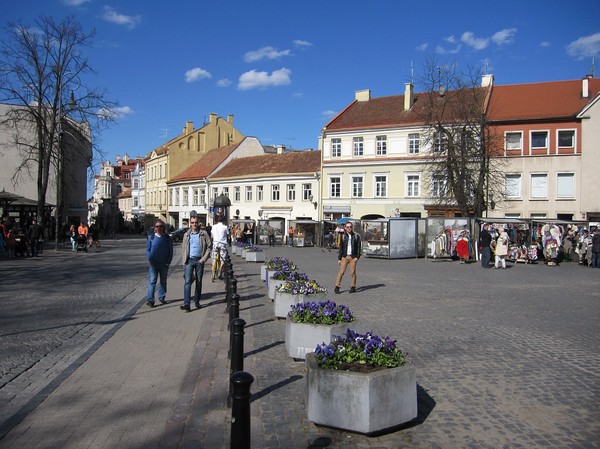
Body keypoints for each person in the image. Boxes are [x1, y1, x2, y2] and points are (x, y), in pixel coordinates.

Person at [181, 217, 212, 312]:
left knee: (198, 282)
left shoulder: (203, 233)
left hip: (199, 260)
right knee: (187, 282)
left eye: (196, 222)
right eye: (192, 222)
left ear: (198, 223)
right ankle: (187, 303)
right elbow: (183, 249)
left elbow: (209, 246)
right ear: (190, 224)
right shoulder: (186, 234)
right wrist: (184, 262)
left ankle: (197, 301)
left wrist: (204, 259)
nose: (194, 224)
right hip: (189, 261)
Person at [146, 220, 173, 308]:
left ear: (163, 227)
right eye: (157, 226)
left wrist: (168, 262)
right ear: (154, 227)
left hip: (164, 264)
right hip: (153, 264)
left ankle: (161, 297)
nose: (159, 228)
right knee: (152, 281)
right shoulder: (151, 237)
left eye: (161, 226)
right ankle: (150, 300)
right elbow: (148, 249)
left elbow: (170, 251)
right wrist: (150, 258)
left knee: (163, 282)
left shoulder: (167, 238)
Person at [334, 221, 362, 294]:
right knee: (341, 272)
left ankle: (353, 287)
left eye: (350, 227)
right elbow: (341, 248)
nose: (349, 228)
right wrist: (339, 258)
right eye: (347, 227)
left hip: (353, 257)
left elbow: (359, 247)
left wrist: (357, 257)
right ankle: (337, 287)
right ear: (345, 228)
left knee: (353, 272)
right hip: (345, 257)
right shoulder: (343, 236)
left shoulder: (356, 236)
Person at [211, 215, 230, 280]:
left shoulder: (213, 227)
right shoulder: (225, 227)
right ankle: (220, 273)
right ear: (224, 221)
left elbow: (212, 235)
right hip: (222, 244)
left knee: (214, 258)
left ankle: (213, 272)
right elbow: (227, 235)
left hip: (215, 244)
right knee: (223, 260)